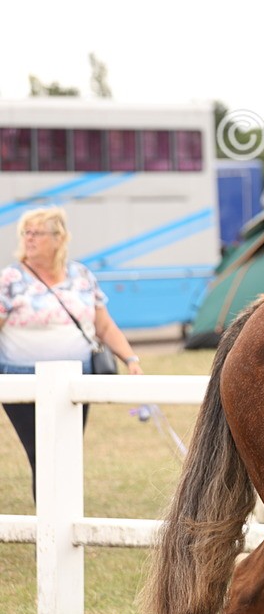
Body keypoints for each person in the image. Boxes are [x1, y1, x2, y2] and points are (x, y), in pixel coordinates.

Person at [0, 207, 144, 500]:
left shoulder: (81, 275)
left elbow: (103, 325)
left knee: (66, 450)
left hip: (77, 379)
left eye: (37, 233)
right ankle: (50, 524)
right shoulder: (11, 278)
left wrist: (130, 358)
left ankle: (63, 515)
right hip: (23, 378)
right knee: (40, 451)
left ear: (58, 238)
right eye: (25, 232)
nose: (29, 239)